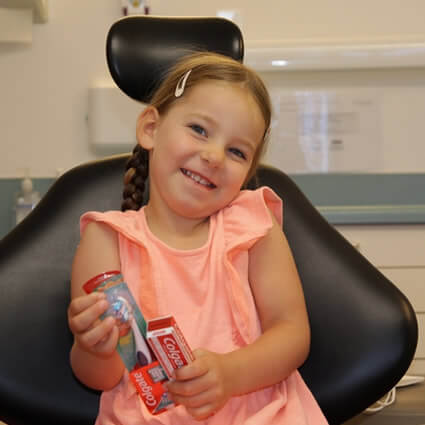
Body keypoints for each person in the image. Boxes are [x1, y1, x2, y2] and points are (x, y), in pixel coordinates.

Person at [68, 51, 328, 425]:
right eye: (199, 130)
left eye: (236, 151)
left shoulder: (255, 226)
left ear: (247, 174)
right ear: (151, 129)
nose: (214, 156)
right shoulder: (106, 240)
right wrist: (93, 347)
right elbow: (100, 378)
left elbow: (292, 333)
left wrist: (230, 374)